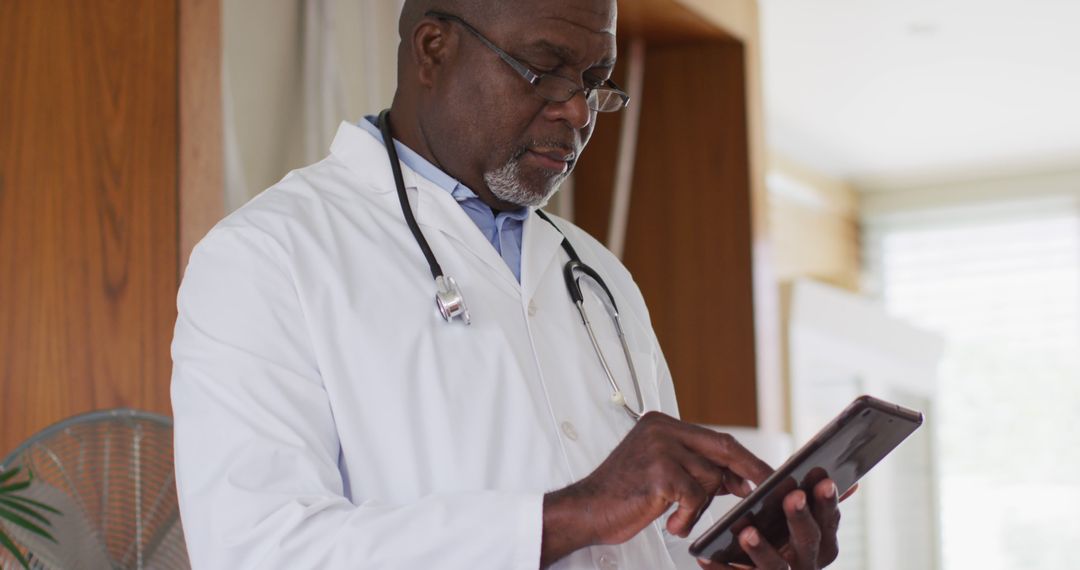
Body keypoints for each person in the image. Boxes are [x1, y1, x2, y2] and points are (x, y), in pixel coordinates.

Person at [170, 0, 845, 568]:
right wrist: (573, 514)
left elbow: (644, 545)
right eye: (546, 72)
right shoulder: (266, 257)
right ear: (433, 50)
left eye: (594, 81)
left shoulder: (600, 277)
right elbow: (258, 550)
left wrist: (737, 557)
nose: (579, 114)